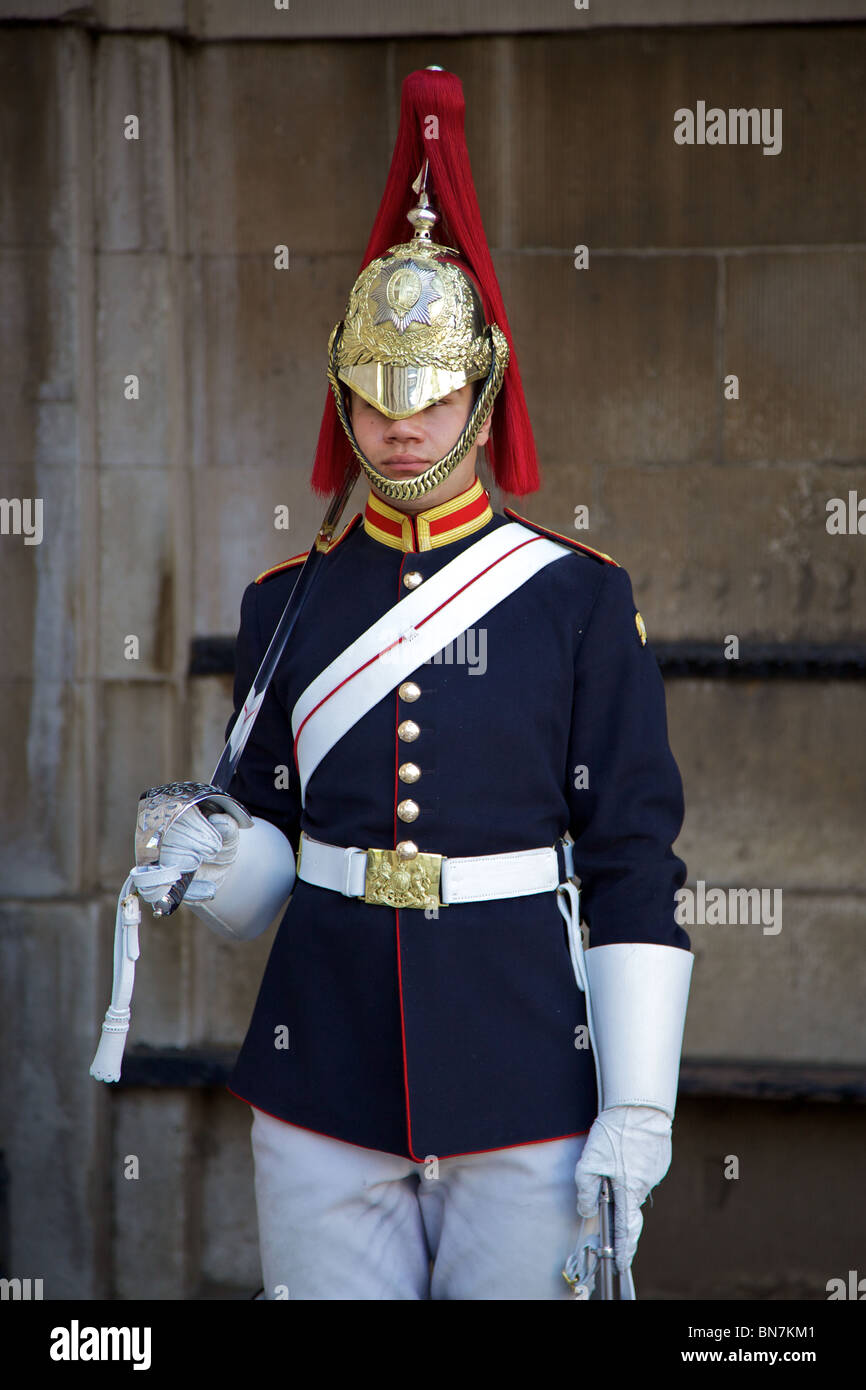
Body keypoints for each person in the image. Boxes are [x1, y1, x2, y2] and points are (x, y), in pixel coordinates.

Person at [137, 67, 694, 1300]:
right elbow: (273, 846)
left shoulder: (573, 596)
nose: (401, 424)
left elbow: (628, 855)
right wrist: (209, 859)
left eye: (430, 392)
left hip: (523, 1074)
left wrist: (638, 1104)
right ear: (343, 389)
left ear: (478, 393)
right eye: (378, 394)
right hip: (321, 1071)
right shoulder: (286, 599)